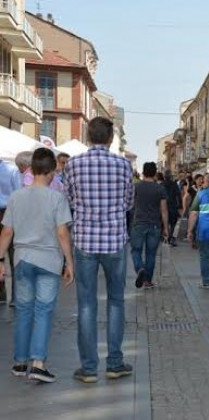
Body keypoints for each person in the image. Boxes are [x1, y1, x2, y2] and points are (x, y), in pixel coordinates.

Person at [63, 117, 135, 384]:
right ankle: (114, 363)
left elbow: (69, 198)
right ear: (110, 138)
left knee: (86, 304)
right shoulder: (123, 165)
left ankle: (89, 367)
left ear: (88, 136)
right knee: (116, 302)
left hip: (84, 242)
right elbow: (129, 202)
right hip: (115, 240)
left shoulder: (73, 164)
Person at [0, 148, 72, 383]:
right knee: (43, 311)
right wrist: (69, 262)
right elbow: (62, 233)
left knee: (23, 311)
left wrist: (0, 259)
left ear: (32, 169)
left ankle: (20, 363)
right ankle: (38, 364)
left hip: (22, 259)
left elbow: (7, 232)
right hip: (49, 261)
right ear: (52, 172)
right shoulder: (57, 198)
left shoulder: (16, 196)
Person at [130, 162, 169, 290]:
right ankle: (147, 281)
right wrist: (166, 228)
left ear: (143, 172)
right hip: (154, 225)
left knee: (136, 250)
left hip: (138, 223)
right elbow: (163, 210)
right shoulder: (160, 189)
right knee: (151, 254)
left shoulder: (136, 187)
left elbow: (130, 205)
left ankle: (140, 268)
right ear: (155, 173)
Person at [0, 155, 21, 304]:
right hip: (8, 211)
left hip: (8, 211)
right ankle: (11, 296)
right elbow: (19, 193)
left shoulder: (11, 169)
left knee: (12, 256)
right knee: (13, 256)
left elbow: (19, 194)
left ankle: (6, 295)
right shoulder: (12, 170)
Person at [163, 170, 182, 247]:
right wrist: (180, 206)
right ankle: (171, 238)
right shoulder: (174, 184)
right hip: (172, 206)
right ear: (170, 177)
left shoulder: (162, 184)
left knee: (165, 223)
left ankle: (165, 237)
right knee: (173, 223)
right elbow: (178, 195)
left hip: (163, 206)